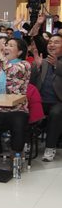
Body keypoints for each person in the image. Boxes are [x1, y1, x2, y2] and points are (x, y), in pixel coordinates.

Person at [31, 34, 62, 162]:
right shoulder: (41, 61)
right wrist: (36, 67)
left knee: (56, 114)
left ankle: (50, 147)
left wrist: (56, 65)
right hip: (40, 100)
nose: (52, 45)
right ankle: (27, 143)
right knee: (25, 109)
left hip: (58, 101)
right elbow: (31, 83)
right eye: (50, 42)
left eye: (56, 42)